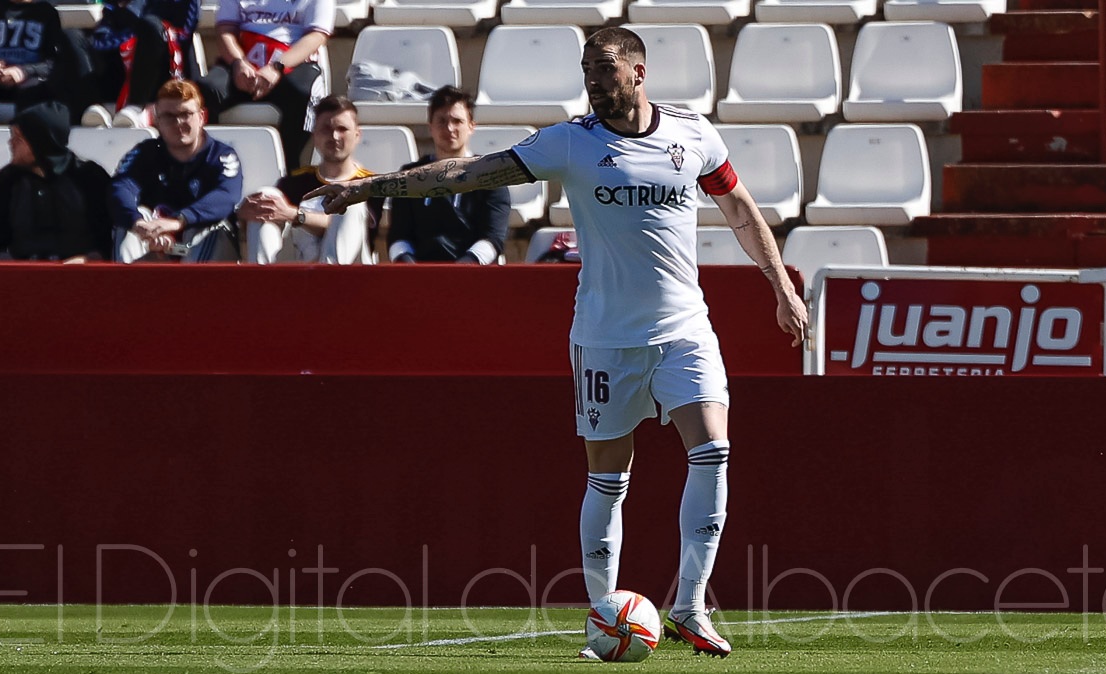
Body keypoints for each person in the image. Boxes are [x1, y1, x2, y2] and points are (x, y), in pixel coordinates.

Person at [306, 26, 808, 659]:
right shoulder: (570, 143)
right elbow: (467, 173)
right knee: (609, 478)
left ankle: (688, 607)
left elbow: (739, 207)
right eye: (586, 70)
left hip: (685, 328)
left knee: (712, 450)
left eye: (605, 70)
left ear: (638, 71)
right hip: (604, 338)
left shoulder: (693, 135)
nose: (594, 82)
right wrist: (367, 187)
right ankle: (603, 617)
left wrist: (781, 287)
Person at [111, 79, 242, 263]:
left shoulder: (221, 155)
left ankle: (190, 290)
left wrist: (179, 221)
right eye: (168, 116)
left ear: (202, 116)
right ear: (157, 119)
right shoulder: (145, 153)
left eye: (186, 114)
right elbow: (120, 187)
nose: (178, 122)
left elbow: (226, 197)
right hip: (156, 242)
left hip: (202, 246)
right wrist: (140, 224)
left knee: (211, 227)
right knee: (128, 225)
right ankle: (125, 287)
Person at [240, 95, 381, 264]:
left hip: (349, 277)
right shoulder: (294, 183)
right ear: (314, 135)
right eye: (326, 129)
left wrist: (297, 216)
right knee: (267, 196)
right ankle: (264, 281)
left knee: (351, 203)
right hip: (298, 269)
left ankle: (326, 285)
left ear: (357, 135)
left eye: (342, 129)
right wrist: (244, 211)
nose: (334, 136)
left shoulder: (372, 185)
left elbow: (351, 231)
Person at [196, 0, 333, 172]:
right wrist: (238, 63)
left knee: (300, 94)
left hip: (292, 64)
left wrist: (277, 67)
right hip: (242, 64)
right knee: (207, 89)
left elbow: (316, 36)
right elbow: (225, 30)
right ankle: (210, 166)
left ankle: (289, 168)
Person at [387, 86, 509, 265]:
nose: (449, 128)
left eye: (457, 121)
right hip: (417, 278)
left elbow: (493, 238)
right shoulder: (409, 177)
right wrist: (410, 270)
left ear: (471, 126)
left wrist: (461, 270)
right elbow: (398, 237)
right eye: (441, 121)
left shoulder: (491, 176)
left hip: (472, 278)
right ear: (430, 127)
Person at [0, 101, 112, 261]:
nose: (11, 144)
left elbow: (105, 239)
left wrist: (86, 260)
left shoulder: (88, 176)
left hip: (80, 272)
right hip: (22, 272)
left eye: (18, 139)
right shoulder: (7, 180)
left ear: (41, 142)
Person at [81, 0, 202, 128]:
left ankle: (137, 107)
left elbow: (181, 34)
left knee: (151, 27)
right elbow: (100, 42)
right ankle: (89, 107)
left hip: (164, 78)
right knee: (73, 37)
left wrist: (138, 23)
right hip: (119, 75)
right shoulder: (121, 8)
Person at [0, 0, 84, 118]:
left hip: (29, 82)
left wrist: (23, 71)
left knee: (38, 98)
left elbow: (54, 63)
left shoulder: (45, 12)